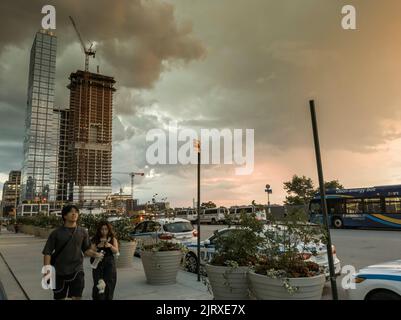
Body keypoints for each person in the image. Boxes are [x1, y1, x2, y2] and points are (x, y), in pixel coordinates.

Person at [42, 205, 103, 300]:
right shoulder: (56, 233)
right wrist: (47, 271)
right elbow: (47, 252)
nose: (74, 213)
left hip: (77, 270)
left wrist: (95, 254)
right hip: (59, 271)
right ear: (65, 216)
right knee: (59, 297)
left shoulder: (83, 232)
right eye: (71, 212)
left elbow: (86, 250)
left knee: (77, 297)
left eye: (76, 212)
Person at [90, 221, 119, 300]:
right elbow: (90, 252)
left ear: (109, 230)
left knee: (110, 284)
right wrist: (98, 246)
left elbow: (116, 251)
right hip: (97, 264)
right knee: (98, 284)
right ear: (99, 230)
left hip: (109, 265)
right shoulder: (95, 239)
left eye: (106, 229)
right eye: (102, 229)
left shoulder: (112, 239)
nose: (104, 231)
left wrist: (110, 246)